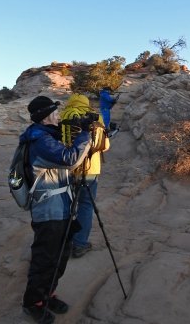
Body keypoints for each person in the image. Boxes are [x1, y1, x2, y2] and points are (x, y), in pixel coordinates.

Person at [20, 96, 93, 324]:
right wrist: (84, 135)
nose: (59, 116)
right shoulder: (40, 140)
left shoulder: (49, 135)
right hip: (48, 210)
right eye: (55, 112)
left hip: (62, 206)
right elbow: (70, 159)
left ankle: (47, 294)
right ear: (46, 115)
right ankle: (33, 302)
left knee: (60, 255)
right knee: (45, 257)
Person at [59, 93, 110, 258]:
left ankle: (62, 241)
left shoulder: (64, 115)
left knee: (65, 205)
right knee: (86, 206)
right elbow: (104, 146)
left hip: (66, 167)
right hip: (90, 169)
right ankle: (80, 244)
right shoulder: (96, 118)